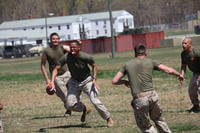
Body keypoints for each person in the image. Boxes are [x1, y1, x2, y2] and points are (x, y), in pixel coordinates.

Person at [112, 43, 184, 133]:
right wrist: (179, 75)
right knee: (159, 119)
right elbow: (168, 70)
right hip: (152, 96)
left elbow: (114, 81)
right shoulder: (151, 61)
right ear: (146, 52)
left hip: (140, 99)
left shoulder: (127, 65)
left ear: (135, 54)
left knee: (145, 126)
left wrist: (124, 82)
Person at [51, 40, 114, 127]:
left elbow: (94, 66)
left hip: (87, 80)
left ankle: (108, 118)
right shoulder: (67, 57)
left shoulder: (85, 56)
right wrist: (52, 82)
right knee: (69, 105)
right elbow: (56, 69)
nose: (72, 49)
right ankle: (85, 108)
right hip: (74, 81)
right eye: (71, 47)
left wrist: (94, 79)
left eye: (74, 47)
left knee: (95, 101)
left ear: (79, 48)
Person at [41, 32, 71, 116]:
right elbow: (42, 65)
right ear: (50, 40)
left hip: (67, 73)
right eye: (53, 39)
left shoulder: (62, 47)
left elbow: (73, 51)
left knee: (72, 92)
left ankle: (70, 108)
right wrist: (47, 79)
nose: (55, 40)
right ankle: (69, 108)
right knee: (63, 95)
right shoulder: (46, 50)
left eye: (57, 39)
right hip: (56, 77)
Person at [180, 37, 200, 113]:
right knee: (191, 90)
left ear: (190, 44)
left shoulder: (196, 52)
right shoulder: (183, 54)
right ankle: (196, 107)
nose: (183, 45)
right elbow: (183, 65)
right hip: (195, 73)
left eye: (185, 43)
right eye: (182, 43)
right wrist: (182, 75)